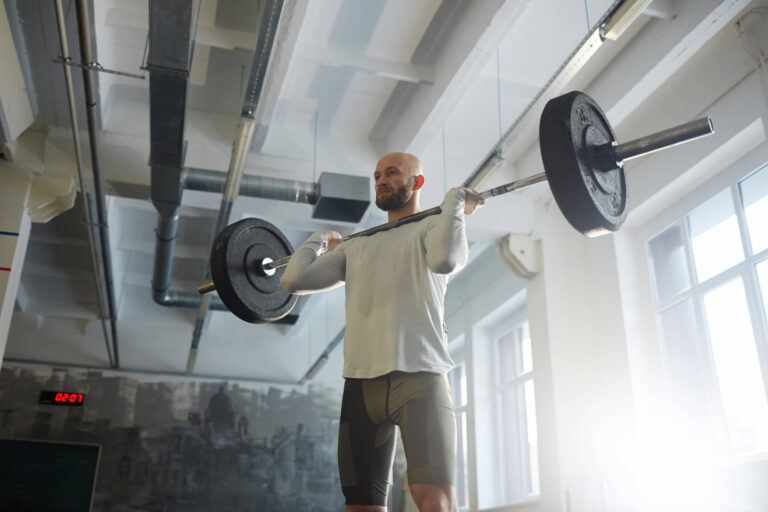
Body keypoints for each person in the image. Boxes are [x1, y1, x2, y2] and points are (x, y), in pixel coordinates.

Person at [281, 152, 484, 512]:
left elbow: (445, 261)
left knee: (434, 500)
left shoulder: (432, 227)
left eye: (391, 173)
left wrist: (452, 203)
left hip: (419, 378)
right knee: (360, 506)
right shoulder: (357, 246)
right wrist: (318, 238)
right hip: (360, 388)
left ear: (417, 182)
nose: (381, 181)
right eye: (376, 176)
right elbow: (294, 279)